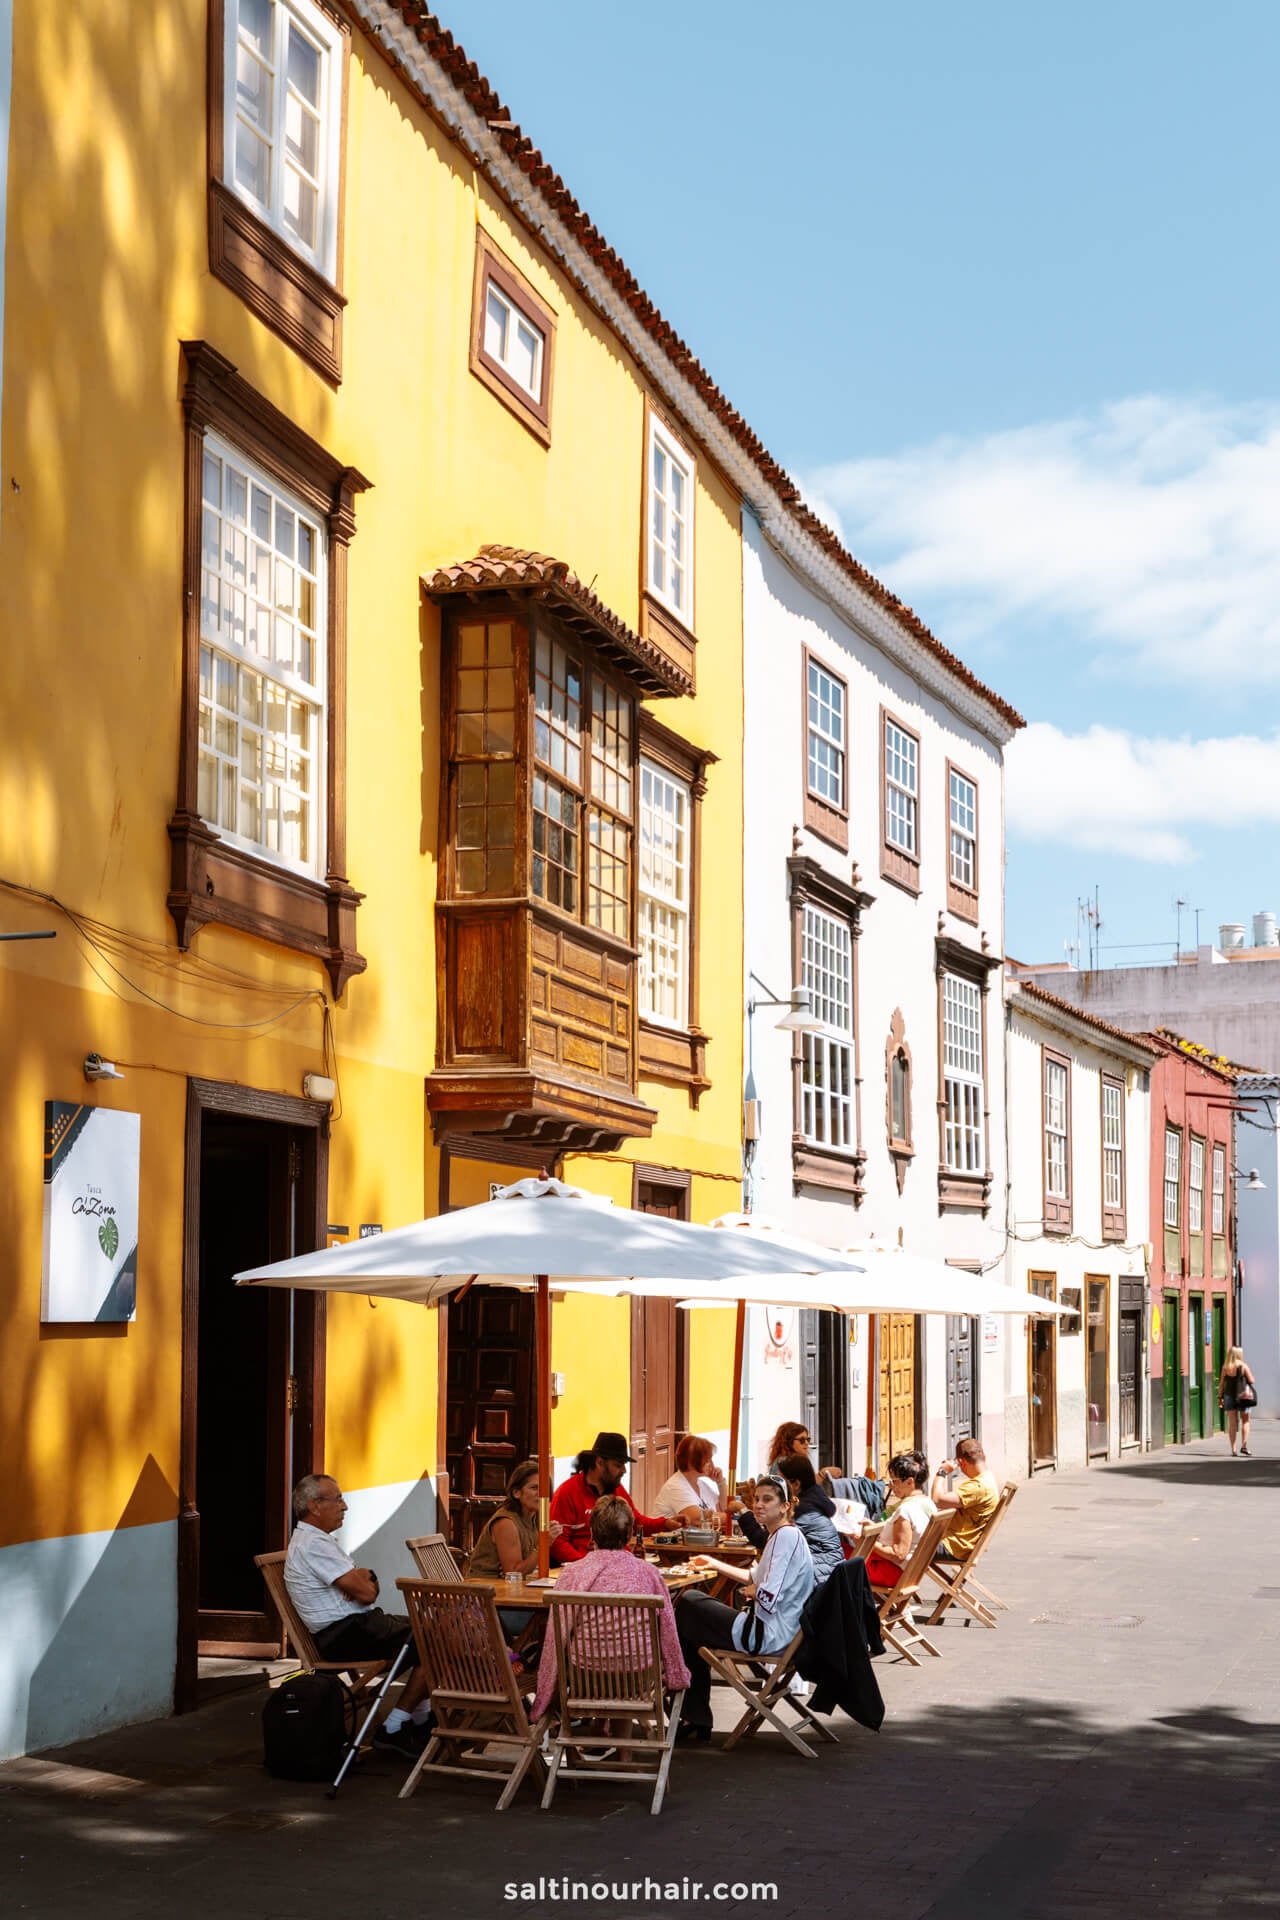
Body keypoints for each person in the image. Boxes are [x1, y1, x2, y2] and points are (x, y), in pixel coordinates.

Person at [283, 1473, 433, 1759]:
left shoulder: (316, 1540)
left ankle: (418, 1721)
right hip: (346, 1633)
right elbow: (367, 1593)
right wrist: (361, 1581)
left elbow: (364, 1580)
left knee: (429, 1630)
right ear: (314, 1506)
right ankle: (394, 1728)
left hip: (357, 1626)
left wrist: (363, 1578)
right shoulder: (314, 1544)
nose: (344, 1506)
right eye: (337, 1499)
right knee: (434, 1639)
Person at [530, 1496, 690, 1733]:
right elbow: (667, 1629)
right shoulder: (649, 1574)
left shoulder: (572, 1574)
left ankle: (589, 1738)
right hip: (637, 1678)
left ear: (592, 1533)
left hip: (585, 1676)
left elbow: (557, 1634)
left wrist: (546, 1690)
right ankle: (623, 1753)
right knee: (628, 1650)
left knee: (588, 1647)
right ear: (629, 1535)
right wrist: (677, 1672)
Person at [674, 1472, 815, 1740]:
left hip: (767, 1633)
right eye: (756, 1499)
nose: (759, 1505)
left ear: (785, 1506)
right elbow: (755, 1577)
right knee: (689, 1625)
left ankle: (693, 1715)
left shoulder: (786, 1537)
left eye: (768, 1500)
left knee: (688, 1603)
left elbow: (767, 1595)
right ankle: (695, 1716)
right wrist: (713, 1563)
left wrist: (753, 1591)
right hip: (778, 1630)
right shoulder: (781, 1535)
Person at [465, 1459, 561, 1645]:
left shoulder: (535, 1517)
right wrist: (544, 1544)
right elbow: (513, 1572)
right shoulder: (506, 1523)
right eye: (534, 1488)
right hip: (490, 1606)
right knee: (558, 1619)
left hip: (514, 1598)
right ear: (516, 1492)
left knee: (562, 1615)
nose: (541, 1495)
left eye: (544, 1489)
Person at [549, 1431, 669, 1563]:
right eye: (618, 1465)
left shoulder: (616, 1488)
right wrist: (583, 1565)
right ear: (599, 1462)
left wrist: (666, 1523)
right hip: (584, 1567)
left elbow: (636, 1522)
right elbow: (557, 1543)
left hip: (620, 1562)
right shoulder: (567, 1492)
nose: (624, 1470)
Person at [739, 1452, 843, 1584]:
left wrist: (743, 1512)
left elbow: (764, 1540)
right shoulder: (815, 1501)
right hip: (829, 1578)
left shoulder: (802, 1510)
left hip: (816, 1586)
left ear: (796, 1484)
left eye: (781, 1481)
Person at [864, 1452, 938, 1589]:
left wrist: (868, 1541)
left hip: (893, 1572)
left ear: (910, 1482)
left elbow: (898, 1555)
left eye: (894, 1481)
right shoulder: (928, 1503)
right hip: (912, 1572)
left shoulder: (906, 1511)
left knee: (837, 1556)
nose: (891, 1486)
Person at [929, 1438, 998, 1558]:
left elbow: (937, 1499)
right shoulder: (988, 1478)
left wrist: (942, 1472)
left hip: (953, 1546)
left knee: (902, 1543)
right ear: (984, 1457)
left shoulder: (977, 1486)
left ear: (962, 1463)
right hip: (961, 1543)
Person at [653, 1434, 735, 1527]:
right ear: (692, 1462)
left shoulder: (700, 1484)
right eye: (707, 1460)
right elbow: (696, 1519)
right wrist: (735, 1518)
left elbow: (722, 1509)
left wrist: (721, 1483)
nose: (712, 1464)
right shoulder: (676, 1486)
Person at [1220, 1345, 1257, 1456]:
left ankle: (1233, 1449)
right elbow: (1252, 1380)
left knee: (1232, 1423)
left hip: (1229, 1395)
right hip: (1243, 1397)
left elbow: (1221, 1384)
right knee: (1245, 1421)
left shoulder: (1226, 1367)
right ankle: (1244, 1447)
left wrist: (1219, 1397)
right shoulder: (1243, 1366)